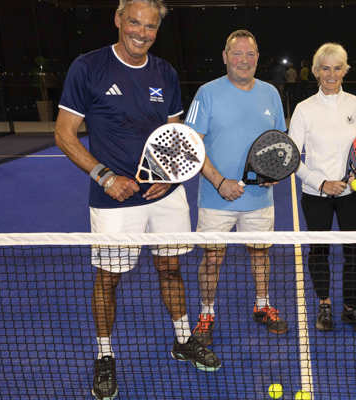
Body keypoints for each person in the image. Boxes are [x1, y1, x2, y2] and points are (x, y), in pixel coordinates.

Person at [54, 1, 221, 398]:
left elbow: (175, 137)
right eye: (134, 23)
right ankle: (105, 355)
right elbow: (64, 132)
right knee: (108, 278)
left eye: (150, 27)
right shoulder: (88, 67)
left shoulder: (165, 72)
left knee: (171, 269)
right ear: (117, 19)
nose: (141, 33)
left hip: (165, 195)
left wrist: (169, 176)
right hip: (113, 199)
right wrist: (105, 176)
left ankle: (183, 339)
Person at [184, 30, 288, 347]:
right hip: (216, 198)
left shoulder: (271, 93)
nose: (244, 59)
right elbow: (191, 144)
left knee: (260, 254)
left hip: (259, 198)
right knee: (213, 259)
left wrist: (275, 173)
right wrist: (219, 181)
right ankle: (206, 312)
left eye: (250, 53)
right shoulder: (206, 93)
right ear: (225, 57)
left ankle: (262, 304)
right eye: (237, 53)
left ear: (258, 57)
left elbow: (279, 142)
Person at [287, 43, 356, 334]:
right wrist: (321, 183)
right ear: (315, 72)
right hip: (316, 195)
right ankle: (324, 303)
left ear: (345, 70)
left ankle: (350, 307)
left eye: (337, 68)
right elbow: (292, 158)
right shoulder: (303, 110)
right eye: (325, 68)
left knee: (355, 253)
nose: (331, 74)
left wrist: (355, 177)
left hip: (352, 194)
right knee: (319, 252)